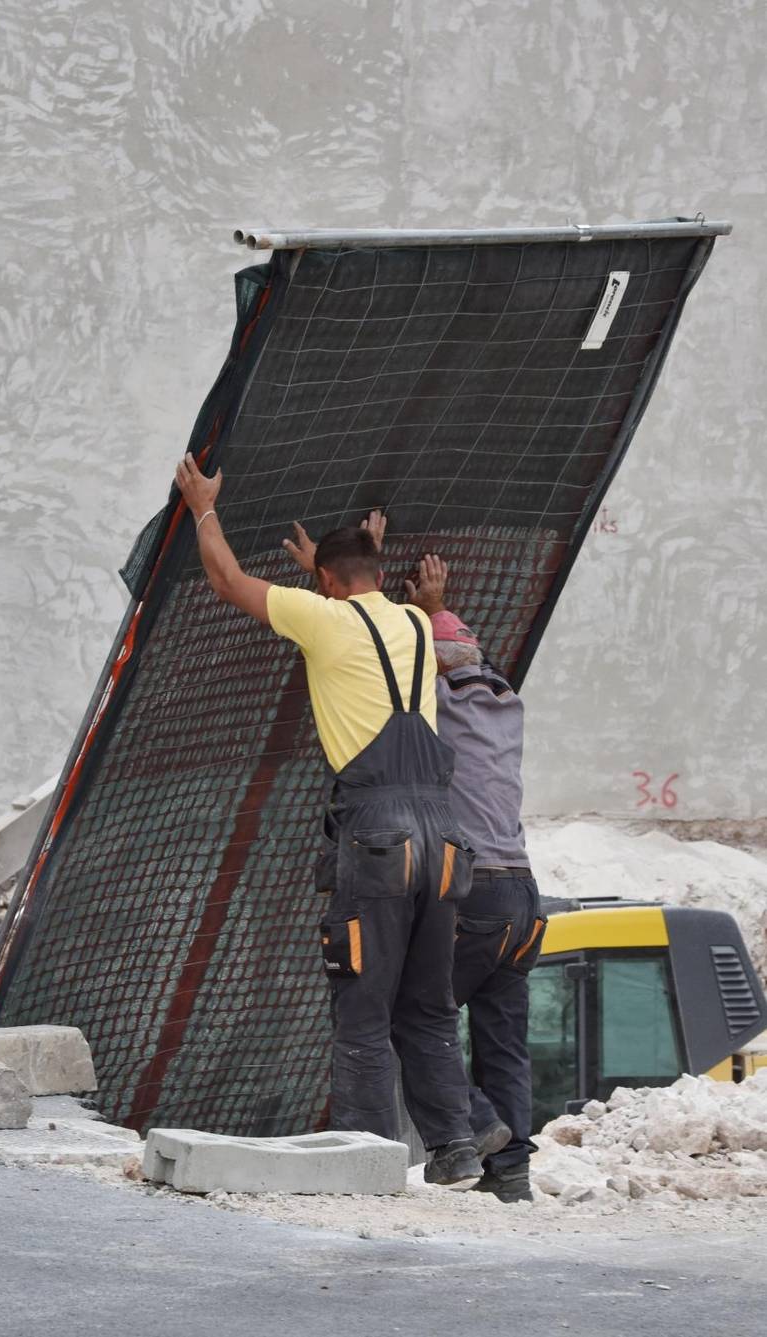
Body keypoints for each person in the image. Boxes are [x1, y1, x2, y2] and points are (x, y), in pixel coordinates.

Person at [174, 453, 482, 1187]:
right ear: (376, 572)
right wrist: (334, 564)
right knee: (429, 1006)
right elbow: (362, 601)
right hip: (444, 835)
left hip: (378, 835)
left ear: (326, 583)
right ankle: (456, 1149)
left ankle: (365, 1160)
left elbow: (227, 580)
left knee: (363, 1009)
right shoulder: (416, 622)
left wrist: (203, 507)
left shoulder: (322, 617)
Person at [406, 549, 545, 1205]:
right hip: (525, 897)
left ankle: (477, 1124)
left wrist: (422, 613)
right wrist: (440, 612)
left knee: (415, 1011)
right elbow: (461, 658)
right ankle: (512, 1173)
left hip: (478, 891)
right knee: (503, 1041)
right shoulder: (507, 703)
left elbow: (398, 668)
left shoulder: (440, 703)